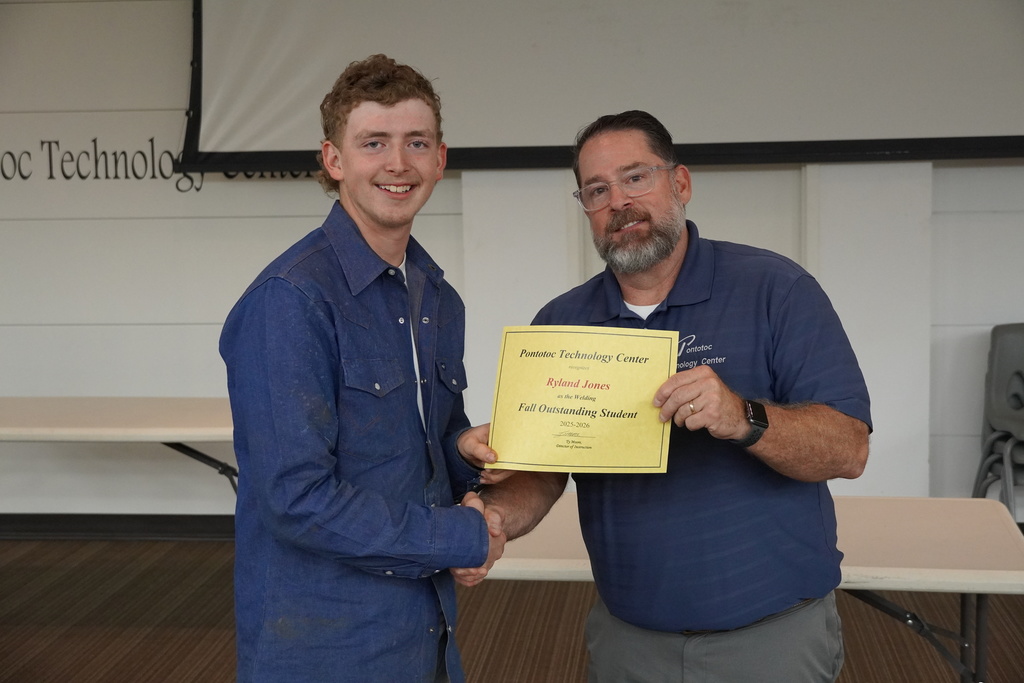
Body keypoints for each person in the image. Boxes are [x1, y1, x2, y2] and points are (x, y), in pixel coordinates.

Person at [456, 110, 872, 682]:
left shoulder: (776, 289)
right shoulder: (563, 323)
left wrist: (743, 416)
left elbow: (848, 449)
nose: (618, 202)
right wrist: (496, 514)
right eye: (596, 190)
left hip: (770, 637)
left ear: (680, 184)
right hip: (629, 638)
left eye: (636, 178)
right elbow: (546, 472)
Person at [219, 54, 507, 683]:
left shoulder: (435, 294)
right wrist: (460, 537)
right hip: (325, 645)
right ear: (334, 161)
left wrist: (464, 445)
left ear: (440, 159)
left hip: (423, 628)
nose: (398, 163)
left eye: (416, 142)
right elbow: (297, 500)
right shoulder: (290, 301)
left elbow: (424, 441)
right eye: (374, 142)